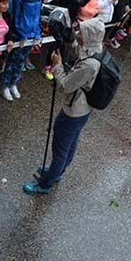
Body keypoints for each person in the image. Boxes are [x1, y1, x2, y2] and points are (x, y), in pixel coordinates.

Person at [23, 18, 106, 195]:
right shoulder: (96, 49)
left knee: (60, 147)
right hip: (82, 109)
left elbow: (65, 85)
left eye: (81, 33)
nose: (78, 34)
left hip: (74, 110)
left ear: (89, 37)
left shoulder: (89, 65)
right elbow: (79, 49)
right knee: (70, 142)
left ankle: (46, 184)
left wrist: (57, 66)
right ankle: (56, 171)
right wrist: (68, 38)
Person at [1, 0, 49, 99]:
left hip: (32, 35)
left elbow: (38, 15)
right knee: (12, 61)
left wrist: (38, 33)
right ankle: (5, 85)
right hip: (20, 35)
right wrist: (21, 34)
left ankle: (13, 83)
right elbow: (16, 16)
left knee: (21, 62)